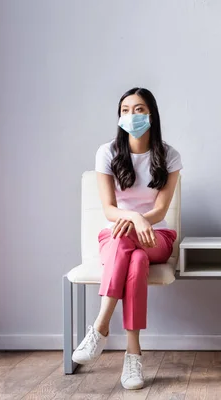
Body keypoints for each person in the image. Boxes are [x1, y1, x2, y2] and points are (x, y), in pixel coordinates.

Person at [72, 87, 182, 390]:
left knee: (131, 247)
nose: (131, 116)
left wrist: (139, 220)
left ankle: (100, 327)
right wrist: (132, 216)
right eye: (124, 110)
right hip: (119, 236)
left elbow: (160, 210)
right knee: (133, 259)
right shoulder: (107, 152)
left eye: (138, 110)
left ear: (151, 114)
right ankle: (133, 355)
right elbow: (109, 209)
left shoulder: (169, 156)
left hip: (155, 236)